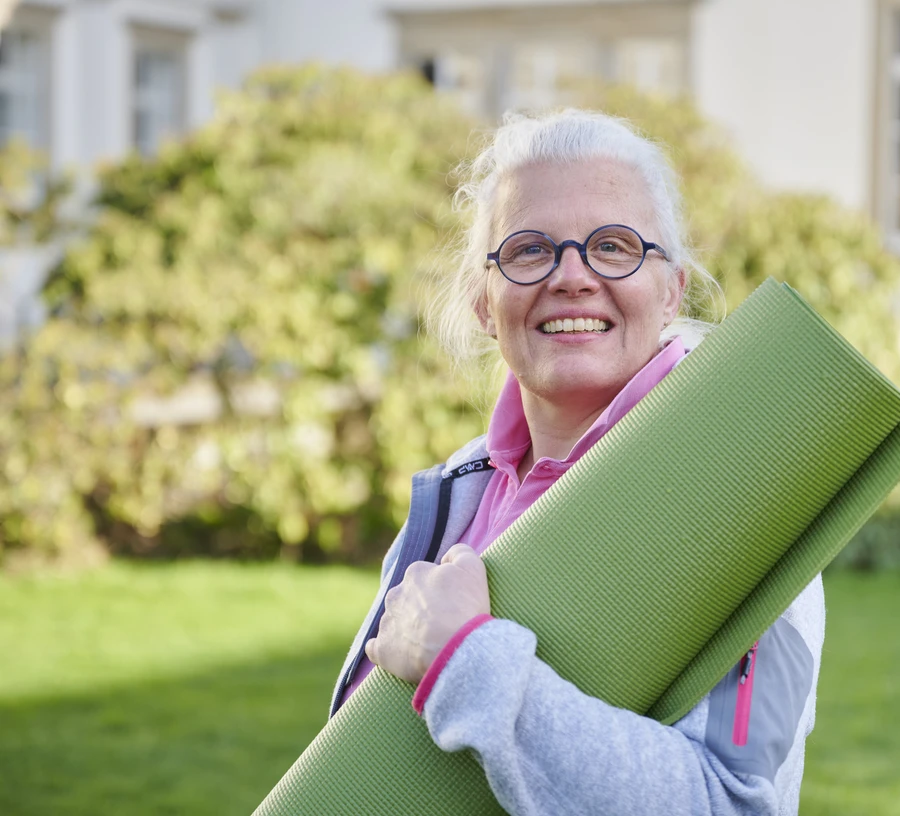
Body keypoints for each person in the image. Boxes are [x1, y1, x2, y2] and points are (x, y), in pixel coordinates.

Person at [329, 109, 825, 816]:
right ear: (483, 300)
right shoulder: (457, 494)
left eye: (614, 246)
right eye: (530, 250)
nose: (571, 276)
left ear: (671, 290)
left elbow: (731, 805)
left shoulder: (745, 503)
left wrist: (466, 662)